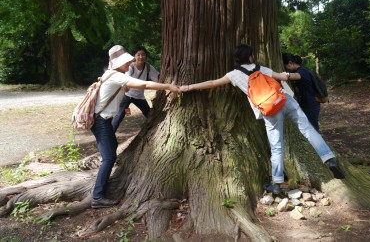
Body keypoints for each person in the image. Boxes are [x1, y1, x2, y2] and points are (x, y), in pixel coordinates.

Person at [180, 44, 344, 195]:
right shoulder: (261, 68)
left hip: (269, 109)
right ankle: (330, 160)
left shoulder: (234, 75)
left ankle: (277, 184)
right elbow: (282, 76)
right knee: (308, 129)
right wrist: (296, 74)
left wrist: (189, 87)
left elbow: (212, 83)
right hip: (285, 100)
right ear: (251, 57)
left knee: (277, 146)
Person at [90, 45, 180, 208]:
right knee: (109, 158)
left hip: (102, 120)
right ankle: (97, 197)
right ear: (117, 63)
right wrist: (169, 86)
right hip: (101, 122)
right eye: (125, 62)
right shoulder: (116, 76)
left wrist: (123, 105)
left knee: (111, 151)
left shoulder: (112, 74)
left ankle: (101, 190)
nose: (129, 63)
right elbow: (144, 85)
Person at [111, 46, 160, 132]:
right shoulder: (130, 67)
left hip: (139, 96)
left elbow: (157, 78)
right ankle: (110, 134)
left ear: (146, 56)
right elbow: (126, 81)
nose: (141, 57)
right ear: (134, 56)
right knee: (119, 116)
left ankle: (155, 131)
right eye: (138, 55)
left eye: (143, 55)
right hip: (127, 96)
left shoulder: (148, 67)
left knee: (149, 115)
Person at [282, 53, 320, 131]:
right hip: (306, 104)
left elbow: (296, 76)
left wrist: (284, 75)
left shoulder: (302, 71)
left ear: (290, 63)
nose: (286, 69)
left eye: (285, 66)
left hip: (311, 105)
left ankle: (319, 142)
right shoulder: (300, 70)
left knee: (313, 128)